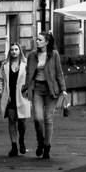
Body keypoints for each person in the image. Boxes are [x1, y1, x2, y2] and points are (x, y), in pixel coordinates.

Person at [27, 30, 65, 160]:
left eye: (40, 40)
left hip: (51, 90)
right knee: (38, 118)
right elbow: (29, 73)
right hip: (37, 88)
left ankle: (47, 146)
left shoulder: (54, 54)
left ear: (46, 42)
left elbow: (59, 72)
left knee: (48, 119)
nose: (37, 41)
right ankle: (40, 141)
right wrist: (26, 87)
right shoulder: (32, 55)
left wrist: (63, 89)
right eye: (37, 39)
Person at [2, 42, 29, 157]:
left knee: (22, 122)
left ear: (20, 51)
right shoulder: (5, 65)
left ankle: (21, 140)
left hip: (22, 96)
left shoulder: (26, 64)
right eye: (12, 49)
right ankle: (14, 146)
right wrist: (1, 91)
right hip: (10, 97)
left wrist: (28, 90)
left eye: (16, 49)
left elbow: (30, 79)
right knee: (12, 120)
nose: (14, 52)